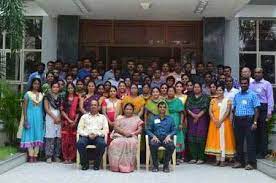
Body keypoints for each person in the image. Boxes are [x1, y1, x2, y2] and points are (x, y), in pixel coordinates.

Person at [232, 77, 260, 170]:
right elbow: (234, 108)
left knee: (250, 142)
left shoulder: (253, 95)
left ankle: (251, 163)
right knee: (239, 142)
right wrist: (234, 121)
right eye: (242, 83)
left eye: (245, 83)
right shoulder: (237, 95)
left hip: (249, 120)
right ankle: (240, 162)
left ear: (248, 84)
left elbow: (257, 109)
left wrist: (255, 122)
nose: (243, 85)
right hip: (238, 120)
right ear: (240, 84)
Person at [205, 85, 236, 166]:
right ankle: (217, 159)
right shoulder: (213, 101)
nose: (219, 92)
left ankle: (223, 160)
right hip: (214, 123)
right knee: (216, 140)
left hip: (224, 123)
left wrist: (220, 121)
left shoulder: (227, 100)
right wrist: (215, 120)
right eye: (217, 90)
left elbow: (227, 112)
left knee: (223, 140)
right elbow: (210, 111)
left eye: (220, 90)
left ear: (223, 91)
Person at [108, 103, 144, 173]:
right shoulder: (119, 117)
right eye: (127, 109)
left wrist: (132, 134)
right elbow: (116, 128)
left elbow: (140, 129)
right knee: (114, 143)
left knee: (129, 142)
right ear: (124, 110)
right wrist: (124, 133)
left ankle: (127, 167)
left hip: (132, 136)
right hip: (120, 135)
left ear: (133, 110)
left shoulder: (136, 118)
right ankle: (115, 166)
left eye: (130, 109)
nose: (128, 111)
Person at [76, 100, 109, 170]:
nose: (93, 106)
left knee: (102, 144)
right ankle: (85, 164)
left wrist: (96, 134)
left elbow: (106, 130)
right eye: (92, 105)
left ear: (98, 107)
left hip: (98, 136)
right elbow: (79, 129)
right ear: (89, 107)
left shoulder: (102, 117)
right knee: (80, 143)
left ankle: (96, 164)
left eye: (95, 105)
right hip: (86, 136)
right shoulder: (84, 117)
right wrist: (88, 135)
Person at [250, 68, 274, 159]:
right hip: (253, 109)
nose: (257, 74)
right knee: (254, 131)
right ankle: (255, 152)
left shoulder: (267, 84)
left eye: (259, 72)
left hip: (263, 108)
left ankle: (263, 152)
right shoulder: (251, 84)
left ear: (262, 73)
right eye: (255, 72)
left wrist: (269, 112)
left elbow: (270, 98)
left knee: (262, 131)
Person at [146, 101, 176, 173]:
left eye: (164, 107)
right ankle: (155, 166)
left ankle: (166, 166)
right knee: (153, 145)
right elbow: (148, 130)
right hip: (156, 138)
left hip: (166, 138)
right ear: (158, 108)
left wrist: (169, 136)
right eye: (160, 107)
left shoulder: (170, 119)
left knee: (171, 146)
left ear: (166, 109)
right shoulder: (153, 118)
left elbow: (174, 130)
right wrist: (153, 136)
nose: (162, 108)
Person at [20, 78, 44, 162]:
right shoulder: (28, 94)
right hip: (30, 116)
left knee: (38, 134)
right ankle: (30, 155)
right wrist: (26, 119)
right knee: (29, 134)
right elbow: (25, 107)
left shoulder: (42, 95)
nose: (36, 85)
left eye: (38, 84)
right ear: (32, 84)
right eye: (35, 83)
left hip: (39, 117)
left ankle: (35, 155)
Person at [186, 82, 210, 164]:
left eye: (198, 87)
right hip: (191, 119)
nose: (196, 88)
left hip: (202, 119)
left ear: (201, 88)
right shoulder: (190, 97)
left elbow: (205, 108)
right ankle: (193, 157)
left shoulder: (205, 97)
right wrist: (193, 115)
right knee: (191, 137)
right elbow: (187, 107)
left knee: (201, 137)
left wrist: (198, 116)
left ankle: (201, 158)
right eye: (195, 87)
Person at [61, 83, 79, 163]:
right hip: (66, 122)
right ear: (67, 89)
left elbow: (78, 111)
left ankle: (71, 158)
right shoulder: (64, 99)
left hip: (74, 123)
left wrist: (75, 121)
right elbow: (62, 111)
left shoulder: (77, 98)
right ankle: (65, 157)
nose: (70, 89)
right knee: (65, 141)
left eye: (72, 88)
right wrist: (68, 120)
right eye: (69, 88)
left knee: (73, 140)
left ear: (74, 89)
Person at [44, 82, 62, 163]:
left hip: (59, 117)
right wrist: (54, 117)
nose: (55, 88)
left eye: (57, 87)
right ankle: (48, 156)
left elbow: (62, 108)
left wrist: (59, 117)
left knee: (58, 137)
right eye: (54, 87)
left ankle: (56, 156)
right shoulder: (47, 97)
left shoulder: (61, 97)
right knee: (50, 136)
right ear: (51, 88)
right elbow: (46, 109)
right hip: (50, 117)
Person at [166, 87, 185, 163]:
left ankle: (177, 157)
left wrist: (181, 123)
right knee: (168, 137)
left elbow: (181, 113)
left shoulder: (178, 101)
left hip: (176, 120)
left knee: (177, 138)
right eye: (169, 91)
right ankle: (169, 158)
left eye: (172, 91)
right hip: (167, 121)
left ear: (174, 92)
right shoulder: (164, 101)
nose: (170, 92)